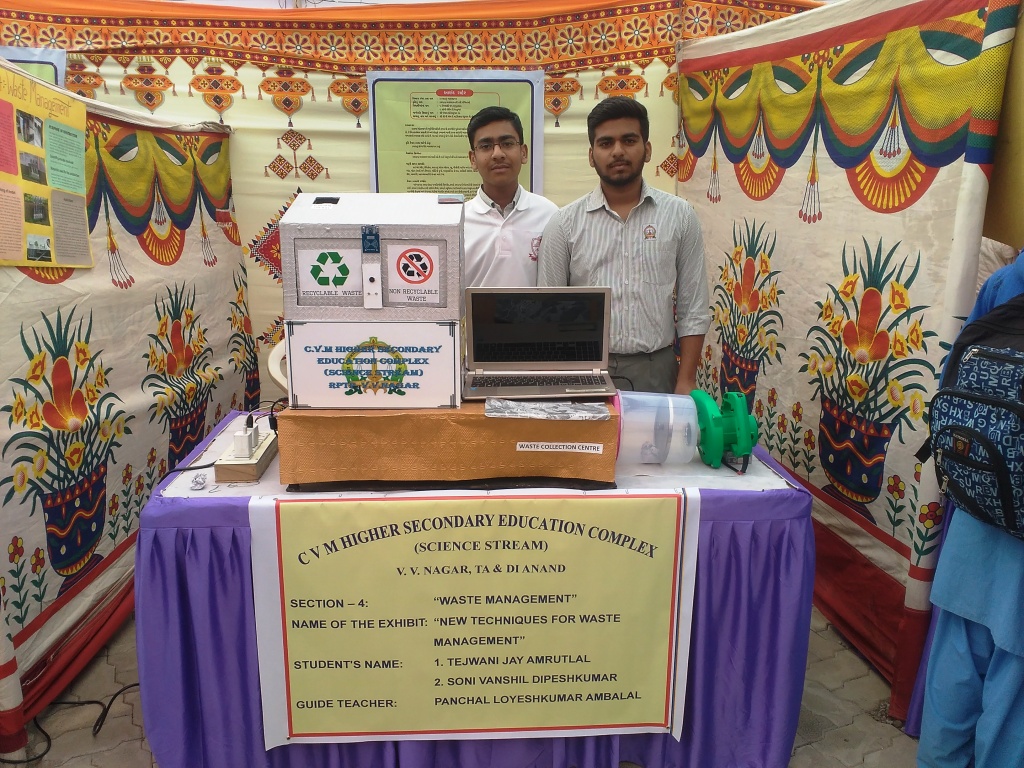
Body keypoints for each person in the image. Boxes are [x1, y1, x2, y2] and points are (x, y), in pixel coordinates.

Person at [918, 248, 1024, 768]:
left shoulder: (1005, 281)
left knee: (954, 677)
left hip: (977, 519)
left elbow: (952, 381)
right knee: (1011, 711)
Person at [537, 96, 710, 394]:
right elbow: (549, 313)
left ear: (647, 149)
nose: (617, 151)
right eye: (606, 143)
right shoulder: (563, 224)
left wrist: (686, 380)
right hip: (584, 369)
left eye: (629, 140)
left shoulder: (680, 216)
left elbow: (693, 307)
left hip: (657, 370)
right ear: (591, 155)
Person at [463, 106, 558, 287]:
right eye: (486, 146)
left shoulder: (550, 215)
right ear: (473, 159)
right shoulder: (458, 222)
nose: (498, 154)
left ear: (523, 153)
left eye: (507, 143)